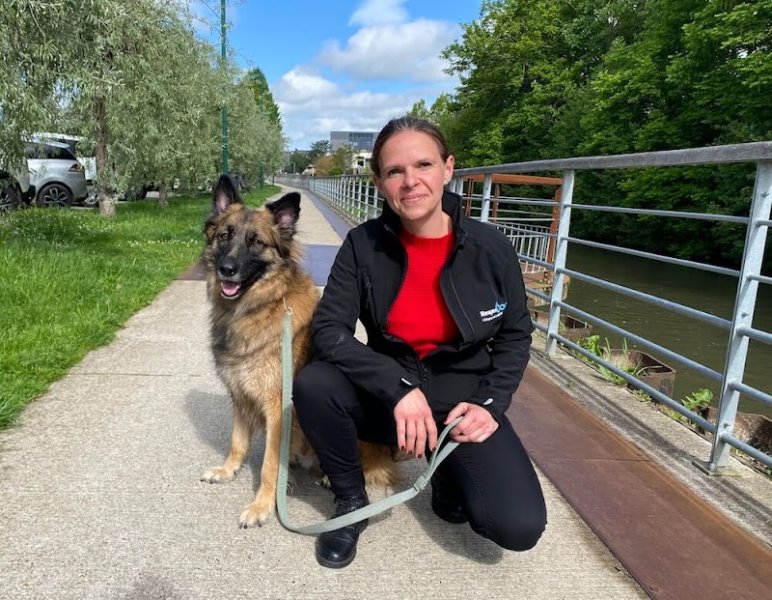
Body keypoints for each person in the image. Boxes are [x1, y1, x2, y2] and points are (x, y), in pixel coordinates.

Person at [293, 116, 547, 569]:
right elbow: (329, 331)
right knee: (314, 383)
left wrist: (490, 403)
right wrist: (395, 386)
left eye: (423, 165)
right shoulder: (362, 245)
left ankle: (449, 474)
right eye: (394, 171)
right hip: (388, 397)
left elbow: (515, 335)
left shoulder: (491, 247)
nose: (410, 182)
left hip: (460, 403)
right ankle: (351, 502)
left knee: (516, 526)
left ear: (448, 169)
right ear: (378, 182)